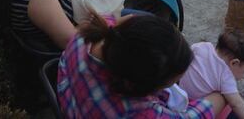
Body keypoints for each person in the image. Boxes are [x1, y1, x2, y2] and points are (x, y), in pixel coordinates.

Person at [57, 15, 227, 118]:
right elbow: (192, 116)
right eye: (170, 84)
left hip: (73, 105)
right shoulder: (137, 111)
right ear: (139, 87)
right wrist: (222, 95)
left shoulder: (82, 38)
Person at [179, 29, 244, 119]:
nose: (242, 77)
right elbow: (237, 104)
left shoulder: (202, 46)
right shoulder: (226, 77)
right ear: (234, 63)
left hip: (179, 95)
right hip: (198, 106)